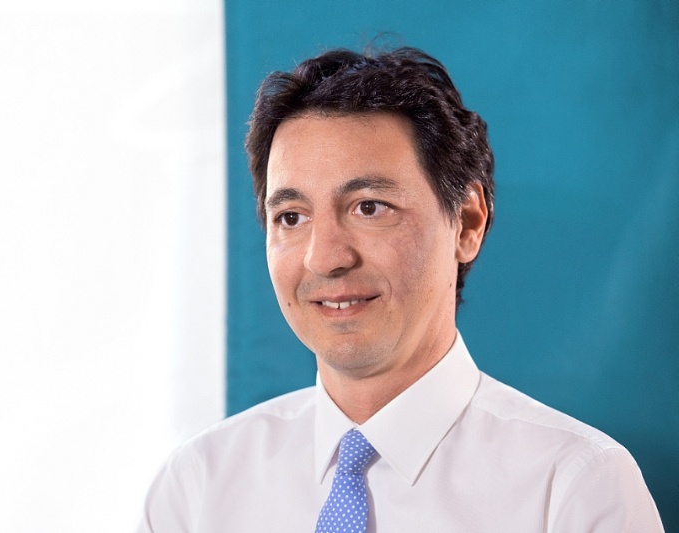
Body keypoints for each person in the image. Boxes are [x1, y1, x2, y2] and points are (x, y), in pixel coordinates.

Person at [136, 46, 663, 532]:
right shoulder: (196, 489)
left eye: (369, 207)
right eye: (291, 216)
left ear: (467, 223)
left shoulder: (574, 488)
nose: (325, 258)